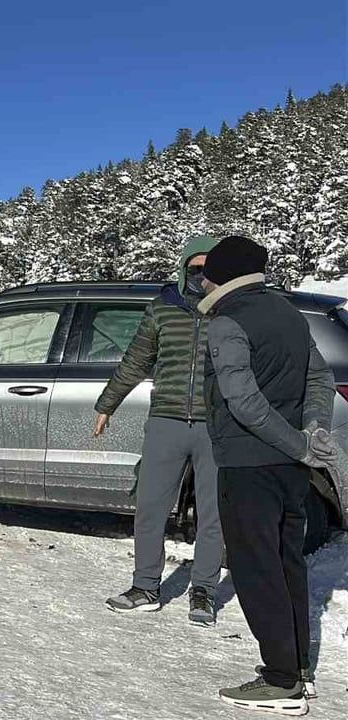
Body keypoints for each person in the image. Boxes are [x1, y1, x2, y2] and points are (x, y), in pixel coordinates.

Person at [196, 235, 336, 715]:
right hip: (290, 468)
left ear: (224, 274)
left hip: (248, 462)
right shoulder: (289, 314)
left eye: (206, 272)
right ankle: (297, 670)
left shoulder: (227, 320)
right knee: (286, 563)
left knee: (257, 570)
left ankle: (280, 683)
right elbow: (318, 378)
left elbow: (242, 400)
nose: (201, 281)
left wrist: (299, 442)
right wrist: (312, 429)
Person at [97, 235, 223, 625]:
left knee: (213, 513)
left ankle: (203, 590)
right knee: (150, 506)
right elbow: (135, 360)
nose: (202, 277)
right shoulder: (162, 309)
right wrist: (107, 404)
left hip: (215, 426)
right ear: (184, 268)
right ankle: (146, 585)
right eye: (195, 268)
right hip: (166, 421)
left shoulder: (232, 312)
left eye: (210, 270)